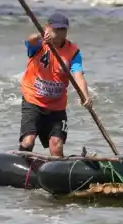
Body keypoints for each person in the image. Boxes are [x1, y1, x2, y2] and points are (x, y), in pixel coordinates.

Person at [18, 12, 92, 157]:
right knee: (28, 141)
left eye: (63, 30)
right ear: (48, 28)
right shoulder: (40, 44)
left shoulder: (73, 52)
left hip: (56, 106)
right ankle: (21, 168)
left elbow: (78, 75)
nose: (59, 33)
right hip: (33, 99)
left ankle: (56, 174)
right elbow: (30, 41)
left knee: (56, 145)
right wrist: (41, 35)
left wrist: (85, 96)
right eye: (56, 29)